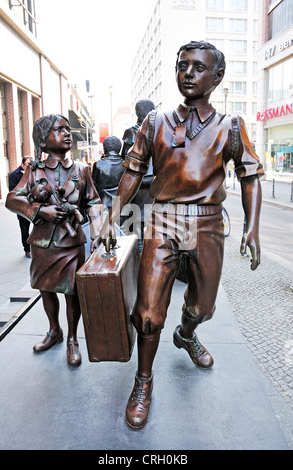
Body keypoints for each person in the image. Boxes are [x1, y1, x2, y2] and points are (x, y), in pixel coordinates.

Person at [100, 40, 264, 429]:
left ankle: (187, 334)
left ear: (218, 76)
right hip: (163, 221)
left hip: (207, 224)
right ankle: (143, 381)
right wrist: (112, 215)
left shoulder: (231, 127)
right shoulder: (155, 121)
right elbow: (133, 171)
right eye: (182, 65)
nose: (187, 73)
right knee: (148, 311)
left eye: (198, 67)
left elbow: (251, 177)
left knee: (202, 307)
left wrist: (253, 227)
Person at [6, 114, 103, 367]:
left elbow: (93, 201)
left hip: (71, 244)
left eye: (67, 129)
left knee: (72, 293)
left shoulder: (82, 169)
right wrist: (39, 211)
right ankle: (54, 331)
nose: (67, 133)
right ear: (43, 139)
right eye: (59, 130)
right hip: (42, 243)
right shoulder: (34, 170)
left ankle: (72, 338)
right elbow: (12, 198)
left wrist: (99, 231)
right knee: (45, 289)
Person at [122, 100, 155, 250]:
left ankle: (141, 244)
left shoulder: (131, 131)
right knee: (152, 212)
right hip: (155, 176)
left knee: (137, 212)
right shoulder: (160, 130)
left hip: (139, 177)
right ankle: (151, 243)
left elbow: (126, 157)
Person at [8, 156, 33, 258]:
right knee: (24, 229)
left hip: (34, 205)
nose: (30, 168)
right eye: (28, 165)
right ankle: (27, 249)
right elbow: (13, 191)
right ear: (22, 164)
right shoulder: (14, 175)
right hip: (22, 207)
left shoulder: (33, 173)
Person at [92, 136, 125, 212]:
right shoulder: (125, 165)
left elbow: (93, 188)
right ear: (119, 149)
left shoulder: (98, 165)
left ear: (104, 148)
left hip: (103, 207)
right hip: (122, 207)